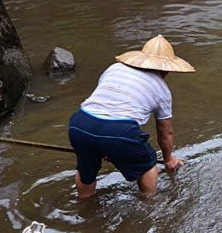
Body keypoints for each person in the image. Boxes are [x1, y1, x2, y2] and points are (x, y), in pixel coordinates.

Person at [67, 35, 195, 198]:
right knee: (149, 165)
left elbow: (106, 103)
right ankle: (148, 206)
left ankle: (84, 207)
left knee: (86, 171)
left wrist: (107, 147)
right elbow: (165, 133)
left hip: (80, 124)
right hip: (118, 131)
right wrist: (169, 159)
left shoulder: (114, 68)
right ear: (166, 68)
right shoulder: (162, 90)